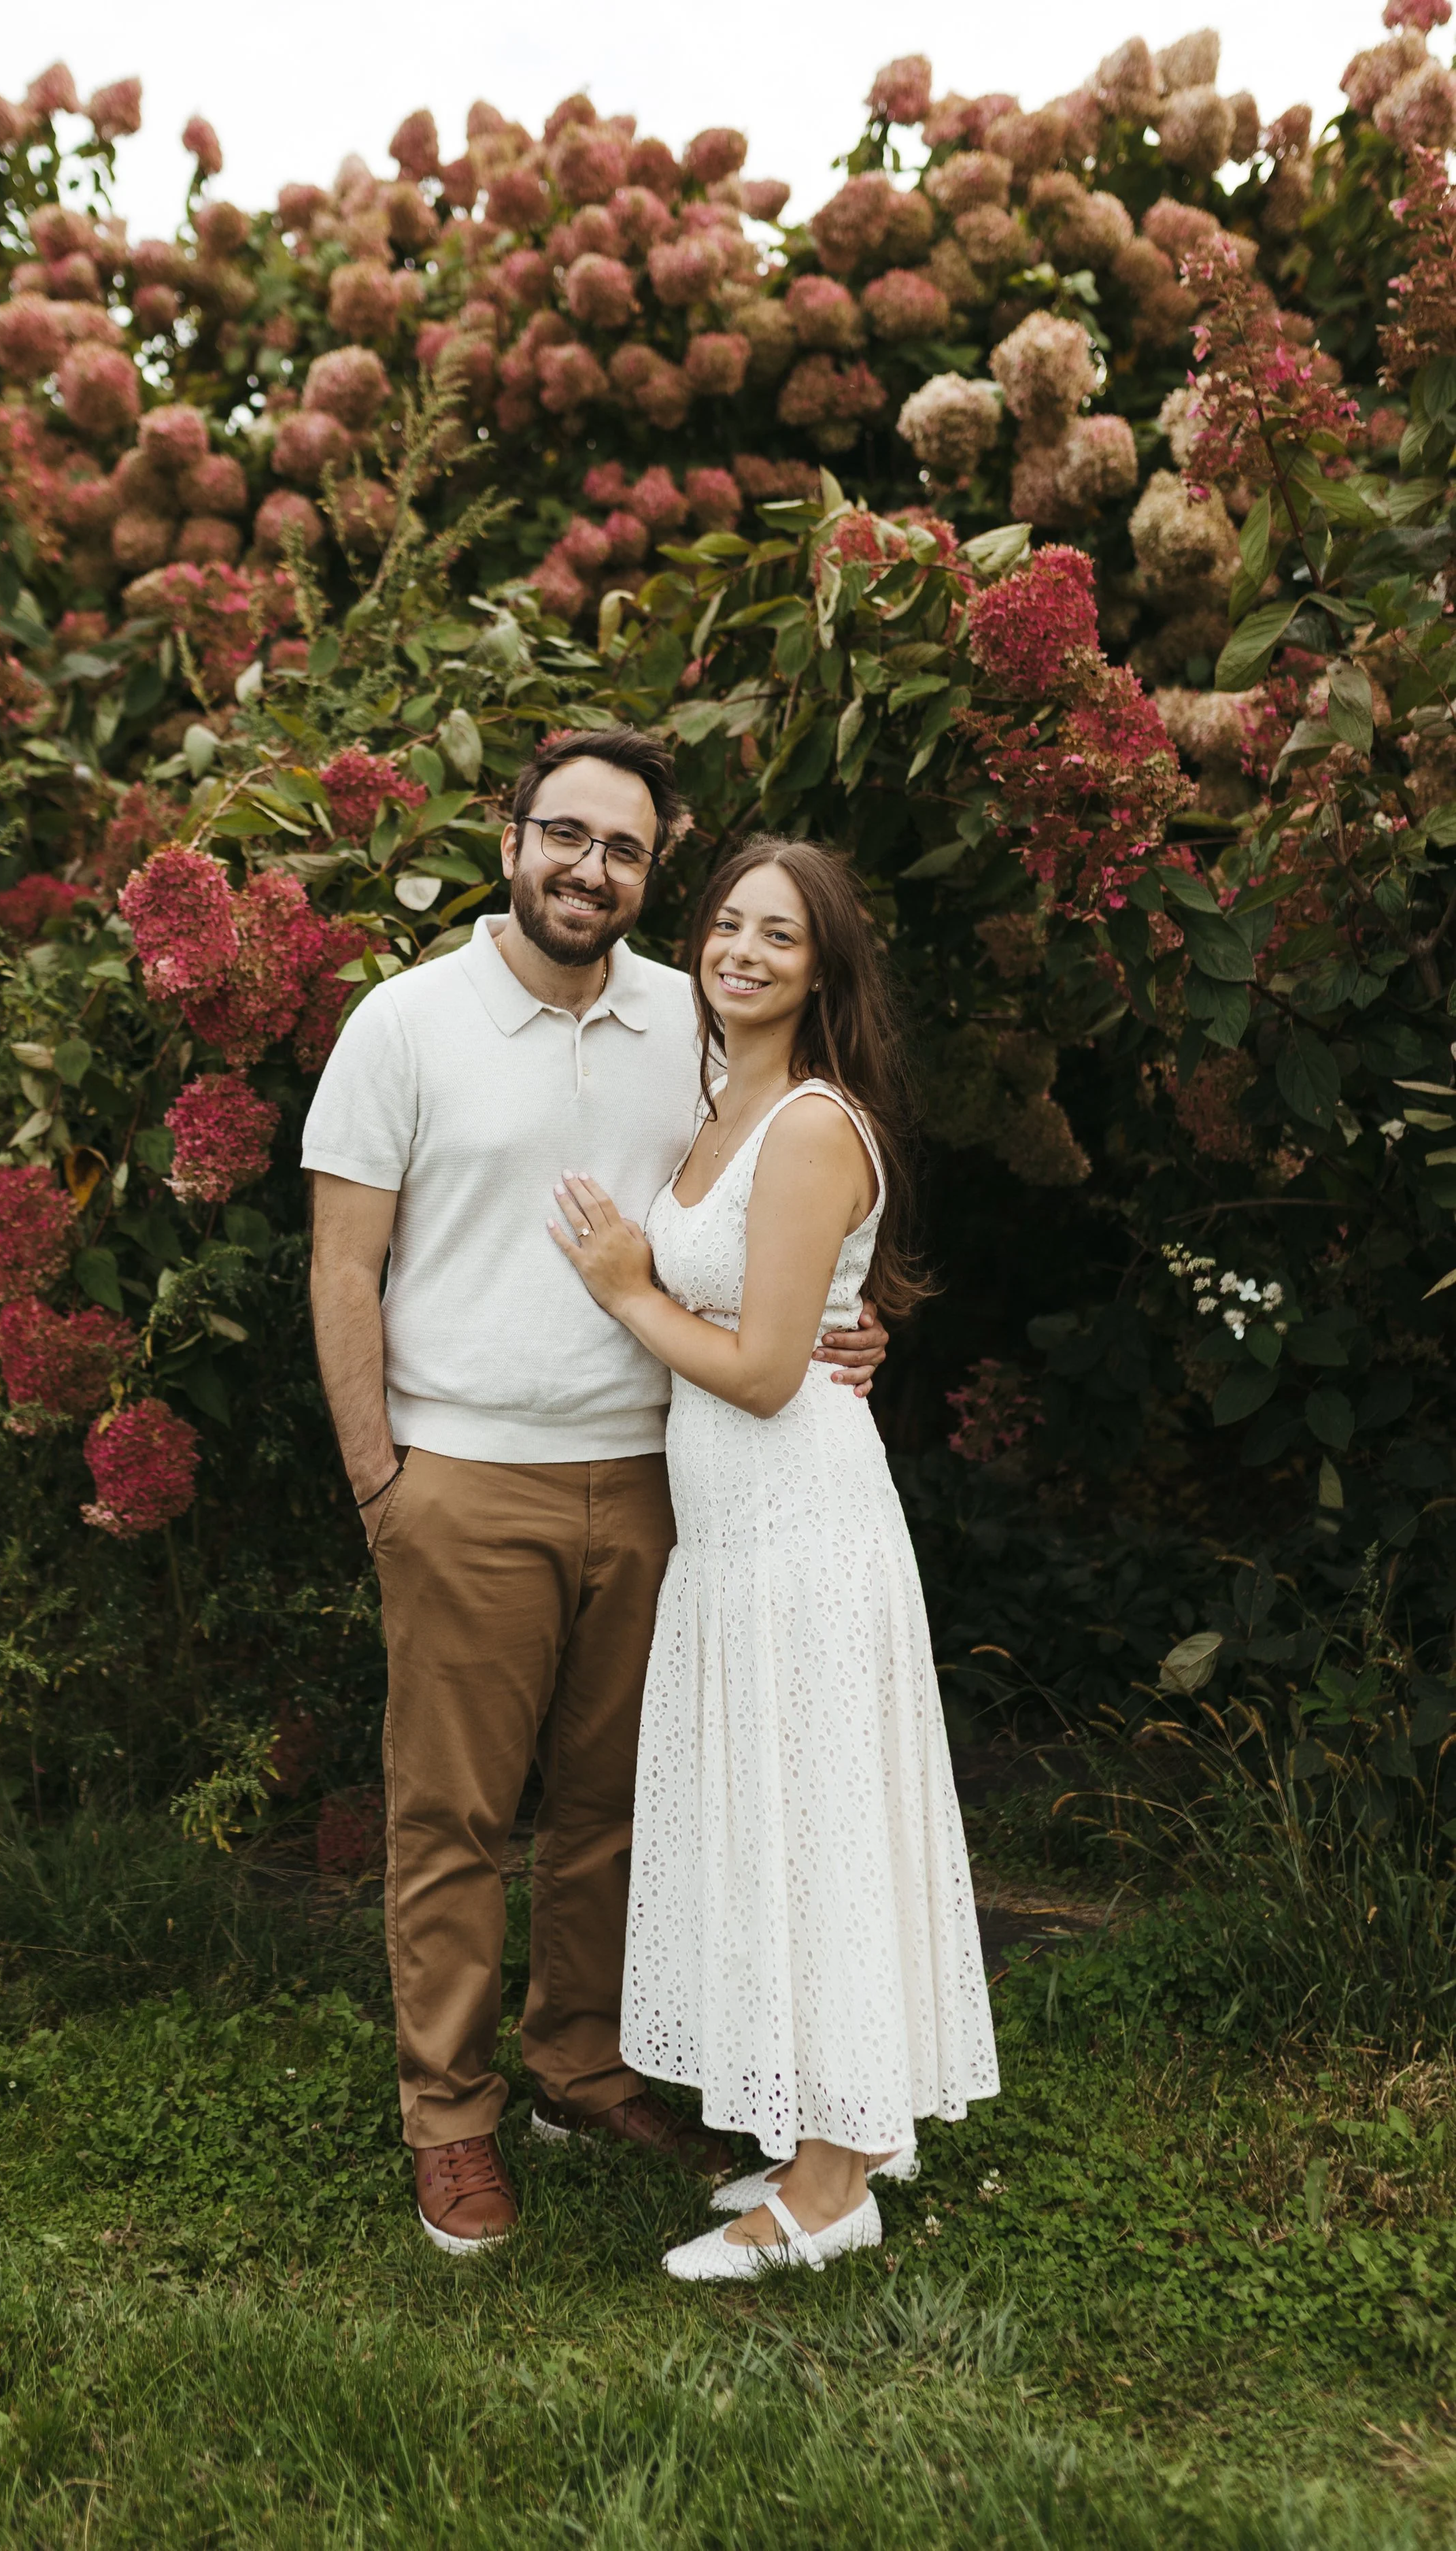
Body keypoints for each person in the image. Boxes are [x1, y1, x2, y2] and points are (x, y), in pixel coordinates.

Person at [301, 732, 888, 2254]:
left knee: (619, 1813)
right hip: (461, 1476)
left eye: (621, 850)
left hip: (655, 1483)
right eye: (562, 836)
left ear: (649, 873)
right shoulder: (405, 1021)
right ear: (508, 841)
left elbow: (763, 1210)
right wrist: (380, 1480)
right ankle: (454, 2119)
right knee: (451, 1815)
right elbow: (341, 1266)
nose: (588, 869)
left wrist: (844, 1321)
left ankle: (580, 2065)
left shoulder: (689, 1025)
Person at [548, 834, 999, 2279]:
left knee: (820, 1829)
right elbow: (793, 1317)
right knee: (785, 1823)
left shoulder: (807, 1121)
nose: (741, 952)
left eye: (779, 938)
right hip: (732, 1531)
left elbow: (755, 1373)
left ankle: (829, 2191)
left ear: (823, 971)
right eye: (727, 925)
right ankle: (832, 2122)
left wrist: (623, 1287)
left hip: (797, 1518)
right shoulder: (722, 1103)